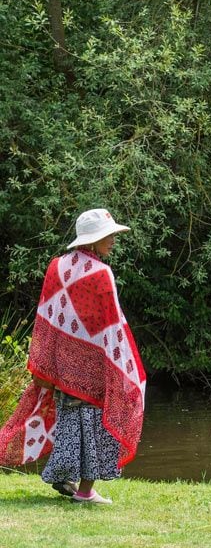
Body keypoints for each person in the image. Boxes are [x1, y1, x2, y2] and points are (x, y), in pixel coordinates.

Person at [0, 208, 146, 504]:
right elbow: (111, 323)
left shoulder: (57, 266)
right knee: (92, 423)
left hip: (62, 362)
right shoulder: (102, 273)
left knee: (70, 420)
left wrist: (50, 359)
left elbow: (48, 316)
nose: (114, 240)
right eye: (109, 236)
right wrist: (121, 363)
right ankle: (83, 490)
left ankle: (66, 478)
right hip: (92, 362)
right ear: (93, 240)